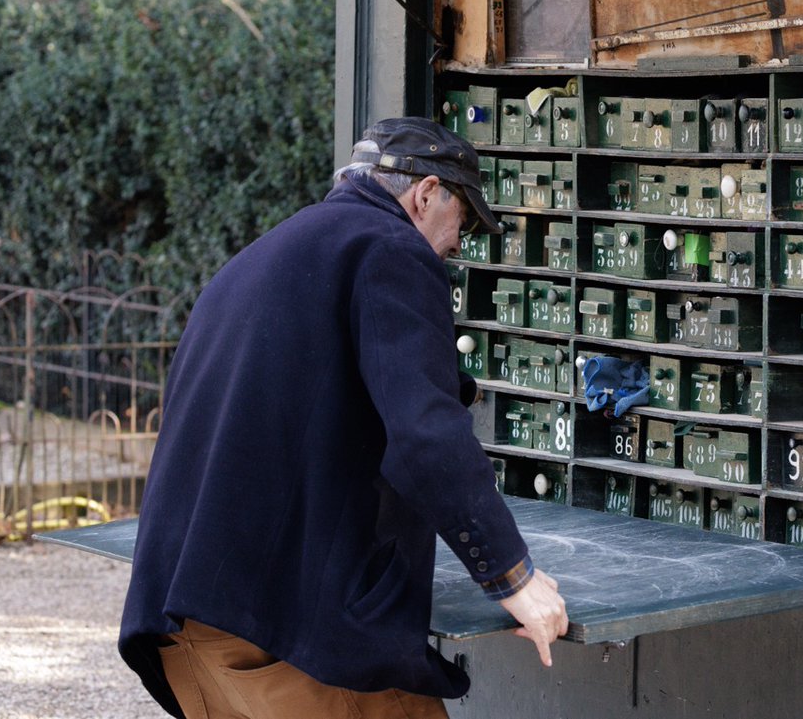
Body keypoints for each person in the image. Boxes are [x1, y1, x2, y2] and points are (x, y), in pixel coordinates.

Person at [120, 116, 569, 719]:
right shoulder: (394, 250)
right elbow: (425, 436)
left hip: (187, 625)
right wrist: (513, 578)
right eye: (462, 219)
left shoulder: (265, 255)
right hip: (278, 634)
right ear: (426, 192)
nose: (459, 244)